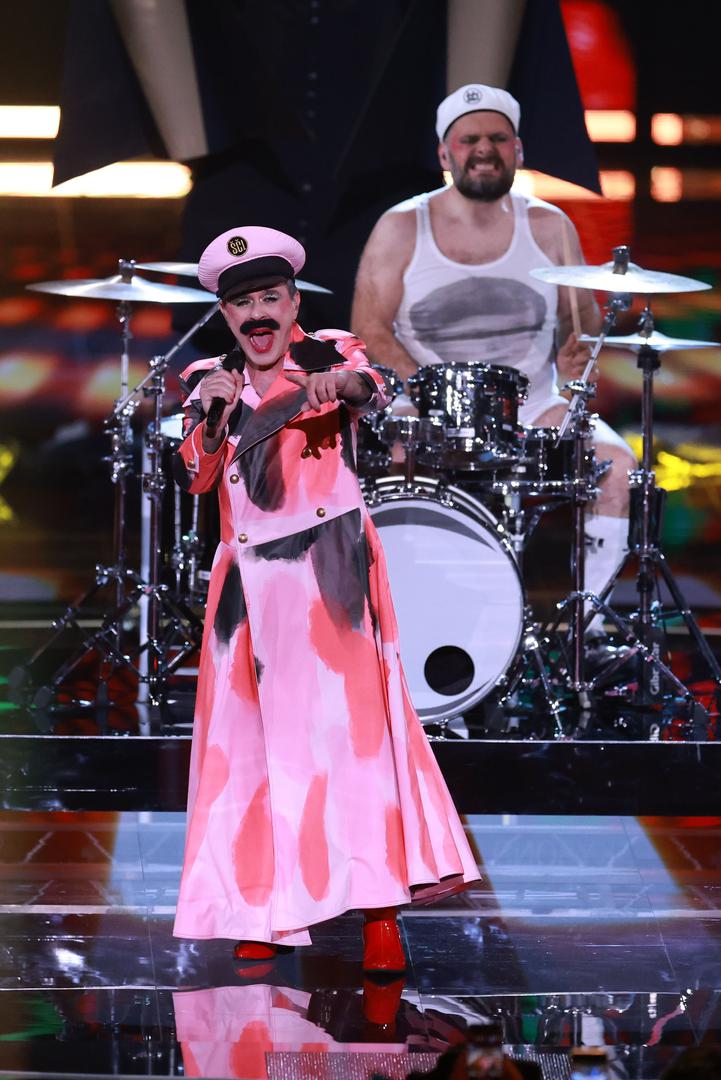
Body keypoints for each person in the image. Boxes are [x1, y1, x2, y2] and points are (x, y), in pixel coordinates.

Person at [171, 225, 479, 970]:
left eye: (269, 298)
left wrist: (341, 386)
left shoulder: (330, 352)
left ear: (291, 302)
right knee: (248, 749)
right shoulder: (209, 378)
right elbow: (199, 476)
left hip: (327, 570)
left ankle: (379, 914)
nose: (258, 315)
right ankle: (262, 909)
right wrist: (210, 417)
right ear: (226, 314)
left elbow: (371, 389)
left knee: (350, 743)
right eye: (242, 304)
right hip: (247, 585)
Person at [351, 83, 637, 640]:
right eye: (469, 140)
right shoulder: (402, 226)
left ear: (518, 149)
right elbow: (369, 331)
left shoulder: (549, 225)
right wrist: (437, 392)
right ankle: (404, 627)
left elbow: (579, 327)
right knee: (387, 462)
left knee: (618, 469)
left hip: (531, 407)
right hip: (425, 407)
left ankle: (589, 629)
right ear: (445, 153)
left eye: (498, 138)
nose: (484, 149)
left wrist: (578, 362)